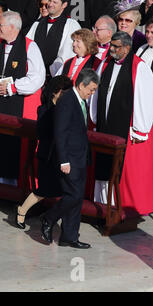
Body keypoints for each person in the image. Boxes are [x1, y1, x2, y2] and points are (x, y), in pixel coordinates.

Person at [90, 31, 153, 215]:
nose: (111, 49)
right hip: (105, 123)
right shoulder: (106, 63)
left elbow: (145, 98)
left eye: (116, 46)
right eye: (111, 45)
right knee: (103, 166)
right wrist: (95, 118)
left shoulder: (138, 67)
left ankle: (115, 209)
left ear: (127, 48)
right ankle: (100, 207)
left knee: (116, 168)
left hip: (123, 127)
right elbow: (96, 91)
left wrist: (140, 129)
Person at [0, 11, 45, 185]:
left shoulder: (30, 46)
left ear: (12, 27)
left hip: (17, 102)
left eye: (0, 25)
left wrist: (13, 87)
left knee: (11, 144)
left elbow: (38, 77)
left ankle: (10, 185)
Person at [40, 68, 99, 249]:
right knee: (72, 195)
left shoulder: (80, 100)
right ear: (81, 85)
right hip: (69, 160)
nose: (92, 93)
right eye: (91, 89)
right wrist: (64, 161)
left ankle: (69, 236)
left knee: (77, 197)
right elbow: (61, 132)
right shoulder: (67, 101)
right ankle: (49, 218)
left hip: (80, 158)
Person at [15, 75, 73, 229]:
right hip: (48, 156)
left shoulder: (64, 108)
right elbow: (42, 133)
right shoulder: (44, 110)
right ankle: (22, 211)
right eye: (65, 91)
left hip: (59, 155)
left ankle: (52, 218)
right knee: (43, 190)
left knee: (63, 190)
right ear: (56, 92)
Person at [27, 0, 81, 79]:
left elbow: (68, 53)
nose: (50, 4)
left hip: (56, 76)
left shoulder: (71, 25)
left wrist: (54, 72)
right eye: (49, 1)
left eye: (55, 2)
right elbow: (28, 46)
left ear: (64, 5)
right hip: (35, 75)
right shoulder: (37, 23)